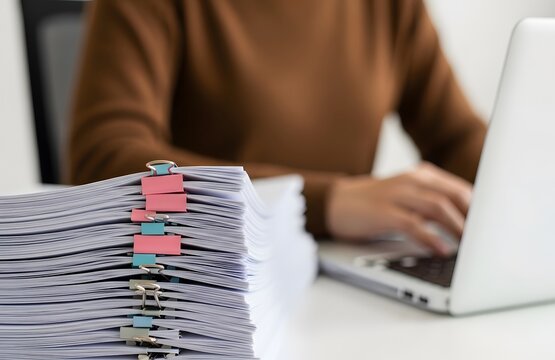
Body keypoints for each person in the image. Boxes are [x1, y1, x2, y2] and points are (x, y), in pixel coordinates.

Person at [69, 0, 487, 255]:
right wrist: (323, 201)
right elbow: (103, 158)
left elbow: (455, 137)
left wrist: (530, 182)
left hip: (344, 278)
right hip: (210, 285)